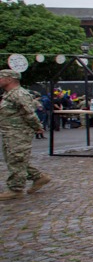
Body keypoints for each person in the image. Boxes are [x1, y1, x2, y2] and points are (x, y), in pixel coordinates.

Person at [0, 69, 50, 200]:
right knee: (14, 159)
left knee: (16, 159)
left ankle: (16, 189)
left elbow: (29, 113)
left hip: (18, 132)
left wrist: (37, 127)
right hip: (9, 132)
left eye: (1, 77)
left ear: (9, 79)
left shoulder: (19, 94)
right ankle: (38, 177)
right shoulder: (9, 94)